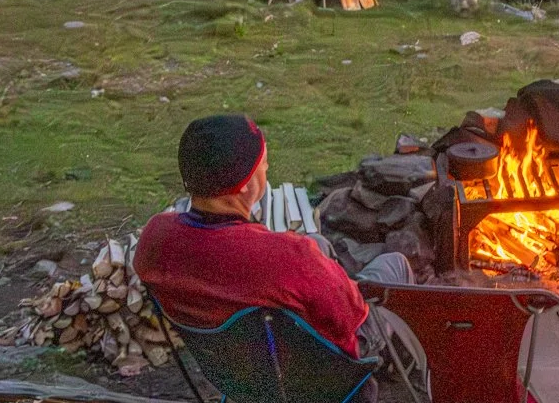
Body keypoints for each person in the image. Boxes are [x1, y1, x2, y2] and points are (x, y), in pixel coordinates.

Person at [133, 113, 413, 360]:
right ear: (244, 186)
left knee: (317, 244)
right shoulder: (287, 256)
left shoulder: (155, 238)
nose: (267, 170)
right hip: (317, 369)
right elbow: (349, 322)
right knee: (394, 264)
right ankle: (397, 364)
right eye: (263, 164)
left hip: (240, 369)